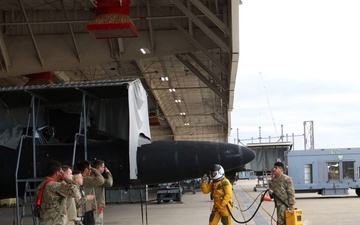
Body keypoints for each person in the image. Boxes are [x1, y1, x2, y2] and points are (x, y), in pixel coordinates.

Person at [36, 161, 78, 225]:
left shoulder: (41, 185)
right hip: (56, 222)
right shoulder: (55, 186)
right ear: (57, 172)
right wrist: (66, 179)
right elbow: (75, 192)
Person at [76, 160, 105, 225]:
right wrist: (94, 169)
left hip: (81, 209)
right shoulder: (86, 180)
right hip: (87, 209)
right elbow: (101, 180)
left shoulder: (78, 178)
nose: (90, 170)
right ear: (86, 169)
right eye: (89, 168)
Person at [92, 159, 113, 225]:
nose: (104, 168)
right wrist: (108, 173)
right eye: (103, 167)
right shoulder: (99, 178)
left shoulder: (90, 176)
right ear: (99, 167)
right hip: (98, 205)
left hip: (91, 205)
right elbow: (109, 183)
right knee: (98, 222)